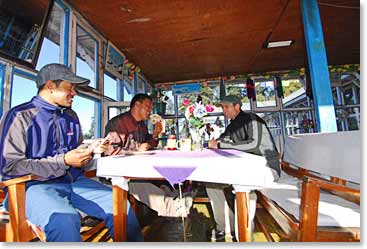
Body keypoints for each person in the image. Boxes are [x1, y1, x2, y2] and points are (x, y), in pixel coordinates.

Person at [0, 63, 143, 242]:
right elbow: (10, 167)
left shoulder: (71, 117)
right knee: (65, 221)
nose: (74, 93)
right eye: (70, 87)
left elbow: (75, 152)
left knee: (122, 206)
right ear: (50, 86)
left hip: (75, 181)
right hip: (33, 188)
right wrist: (64, 161)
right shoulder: (19, 116)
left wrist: (91, 151)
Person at [105, 93, 192, 218]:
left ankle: (175, 195)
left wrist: (155, 134)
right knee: (139, 185)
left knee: (164, 173)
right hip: (122, 172)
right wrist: (135, 150)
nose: (150, 110)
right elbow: (110, 151)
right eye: (148, 106)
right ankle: (174, 208)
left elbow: (147, 145)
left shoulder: (142, 125)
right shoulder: (118, 123)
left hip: (139, 168)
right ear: (137, 105)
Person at [207, 95, 280, 241]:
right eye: (222, 107)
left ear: (237, 106)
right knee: (211, 184)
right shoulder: (232, 125)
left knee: (243, 185)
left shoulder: (253, 119)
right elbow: (221, 140)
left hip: (266, 167)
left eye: (226, 107)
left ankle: (244, 235)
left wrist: (221, 145)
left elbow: (254, 144)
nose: (224, 110)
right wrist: (212, 143)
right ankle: (226, 227)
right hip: (246, 167)